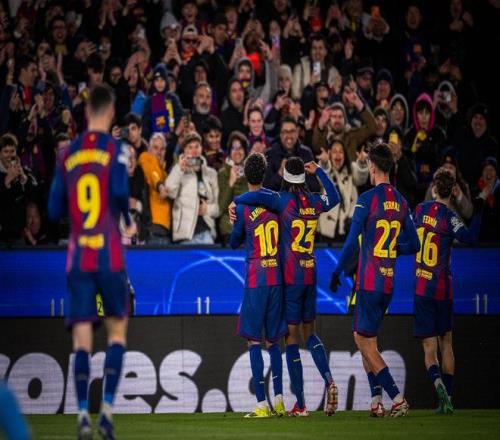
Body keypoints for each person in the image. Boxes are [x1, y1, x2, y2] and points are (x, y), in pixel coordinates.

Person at [47, 84, 136, 440]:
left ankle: (83, 414)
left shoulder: (67, 153)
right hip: (109, 254)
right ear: (111, 111)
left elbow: (53, 209)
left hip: (79, 256)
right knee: (116, 334)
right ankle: (108, 414)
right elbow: (120, 192)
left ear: (85, 112)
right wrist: (126, 218)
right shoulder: (116, 149)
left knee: (81, 342)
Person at [231, 157, 341, 417]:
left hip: (289, 277)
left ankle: (300, 404)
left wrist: (235, 202)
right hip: (311, 274)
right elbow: (335, 198)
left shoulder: (281, 200)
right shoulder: (314, 201)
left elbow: (254, 197)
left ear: (285, 176)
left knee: (289, 338)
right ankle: (329, 380)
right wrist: (320, 172)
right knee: (310, 334)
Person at [330, 143, 420, 418]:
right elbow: (415, 245)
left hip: (369, 282)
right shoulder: (401, 202)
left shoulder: (367, 199)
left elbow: (350, 243)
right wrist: (392, 249)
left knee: (362, 340)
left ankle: (397, 398)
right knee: (368, 339)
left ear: (372, 166)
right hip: (388, 282)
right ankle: (375, 400)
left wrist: (336, 272)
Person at [413, 167, 483, 413]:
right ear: (452, 191)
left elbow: (407, 236)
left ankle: (438, 385)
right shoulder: (450, 218)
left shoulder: (420, 211)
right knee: (447, 343)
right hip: (443, 289)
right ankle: (448, 398)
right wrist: (479, 208)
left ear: (433, 188)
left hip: (422, 288)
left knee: (429, 349)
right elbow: (471, 238)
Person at [229, 152, 287, 418]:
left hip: (256, 279)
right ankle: (280, 400)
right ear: (264, 174)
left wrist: (235, 217)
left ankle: (262, 404)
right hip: (276, 277)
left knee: (254, 341)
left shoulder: (242, 207)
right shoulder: (276, 201)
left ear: (246, 175)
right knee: (274, 341)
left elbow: (233, 242)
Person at [166, 132, 219, 244]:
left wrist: (207, 209)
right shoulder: (178, 171)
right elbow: (169, 191)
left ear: (201, 148)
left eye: (196, 146)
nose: (194, 150)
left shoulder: (211, 174)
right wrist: (179, 169)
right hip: (184, 235)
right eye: (190, 147)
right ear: (184, 150)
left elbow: (218, 207)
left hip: (206, 233)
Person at [138, 133, 172, 245]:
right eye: (155, 148)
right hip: (153, 229)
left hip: (166, 231)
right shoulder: (145, 157)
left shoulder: (165, 174)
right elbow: (152, 172)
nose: (159, 152)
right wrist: (160, 186)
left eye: (162, 149)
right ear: (149, 149)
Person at [218, 131, 248, 244]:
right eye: (234, 148)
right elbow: (221, 207)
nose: (237, 152)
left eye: (240, 148)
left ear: (245, 151)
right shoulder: (223, 173)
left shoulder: (250, 173)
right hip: (229, 228)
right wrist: (231, 181)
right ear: (229, 151)